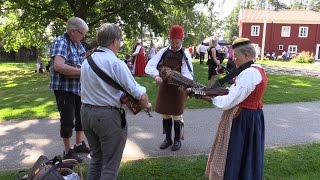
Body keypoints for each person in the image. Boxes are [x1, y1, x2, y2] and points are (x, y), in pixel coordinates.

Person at [80, 23, 151, 179]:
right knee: (110, 166)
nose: (120, 44)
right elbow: (139, 93)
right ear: (114, 41)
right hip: (106, 117)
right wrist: (147, 105)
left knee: (96, 159)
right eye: (120, 40)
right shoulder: (115, 63)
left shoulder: (87, 61)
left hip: (85, 113)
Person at [203, 38, 268, 180]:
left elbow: (229, 101)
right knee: (247, 153)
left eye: (236, 56)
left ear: (246, 55)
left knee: (236, 152)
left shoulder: (249, 74)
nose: (234, 59)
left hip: (244, 120)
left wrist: (210, 98)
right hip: (252, 118)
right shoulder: (257, 69)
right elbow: (235, 91)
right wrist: (216, 92)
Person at [145, 25, 193, 151]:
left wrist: (184, 86)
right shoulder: (163, 52)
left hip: (178, 89)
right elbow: (150, 65)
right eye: (173, 42)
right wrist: (156, 76)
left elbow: (188, 73)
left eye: (177, 43)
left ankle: (177, 140)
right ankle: (167, 139)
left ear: (182, 41)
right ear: (169, 40)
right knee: (166, 114)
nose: (175, 45)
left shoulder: (185, 54)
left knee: (176, 115)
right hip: (165, 87)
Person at [49, 17, 90, 163]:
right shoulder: (61, 42)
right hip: (64, 89)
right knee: (67, 120)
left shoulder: (78, 44)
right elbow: (58, 66)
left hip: (78, 88)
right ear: (72, 31)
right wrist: (83, 72)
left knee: (81, 117)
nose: (83, 36)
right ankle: (68, 151)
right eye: (82, 33)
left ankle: (79, 144)